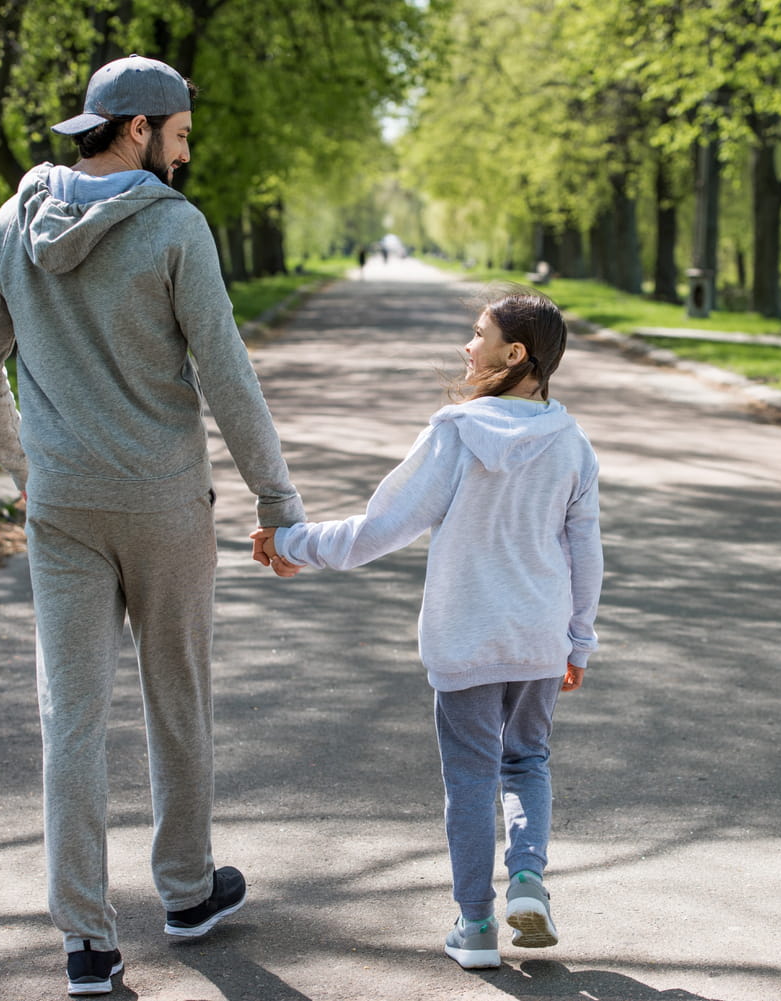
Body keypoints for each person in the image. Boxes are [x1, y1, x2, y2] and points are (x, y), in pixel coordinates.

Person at [0, 54, 304, 996]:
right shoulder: (175, 227)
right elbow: (226, 375)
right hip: (162, 504)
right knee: (175, 699)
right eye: (181, 134)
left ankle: (86, 942)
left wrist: (26, 466)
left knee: (70, 717)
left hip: (63, 507)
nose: (186, 155)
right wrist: (279, 501)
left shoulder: (13, 225)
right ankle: (187, 892)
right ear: (140, 128)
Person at [251, 285, 603, 970]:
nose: (467, 346)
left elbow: (376, 531)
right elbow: (584, 552)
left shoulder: (455, 432)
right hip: (538, 639)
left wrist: (290, 544)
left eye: (478, 333)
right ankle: (527, 877)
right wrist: (579, 639)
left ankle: (475, 925)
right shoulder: (572, 442)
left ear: (515, 352)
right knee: (526, 760)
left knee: (471, 777)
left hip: (466, 637)